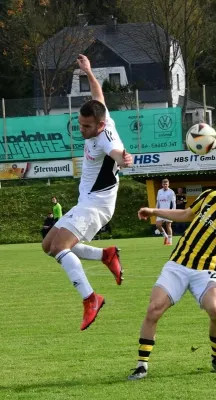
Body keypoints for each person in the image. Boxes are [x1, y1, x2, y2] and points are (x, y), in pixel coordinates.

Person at [128, 168, 216, 380]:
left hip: (207, 271)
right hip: (178, 264)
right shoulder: (210, 196)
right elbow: (186, 214)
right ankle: (141, 365)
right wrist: (154, 211)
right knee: (154, 309)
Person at [42, 54, 133, 331]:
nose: (82, 130)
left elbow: (116, 152)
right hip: (87, 201)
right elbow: (98, 95)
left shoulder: (107, 140)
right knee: (48, 245)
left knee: (60, 247)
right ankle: (106, 256)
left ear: (100, 126)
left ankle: (91, 298)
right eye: (80, 124)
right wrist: (88, 71)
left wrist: (123, 158)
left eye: (87, 127)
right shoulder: (104, 117)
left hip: (97, 205)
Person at [155, 179, 176, 245]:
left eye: (166, 184)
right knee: (158, 225)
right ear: (162, 184)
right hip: (161, 211)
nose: (165, 185)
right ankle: (165, 236)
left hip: (168, 211)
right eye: (164, 184)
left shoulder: (171, 192)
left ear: (168, 184)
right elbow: (158, 201)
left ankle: (170, 241)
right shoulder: (159, 191)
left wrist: (173, 211)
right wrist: (156, 209)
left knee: (168, 225)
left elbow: (173, 202)